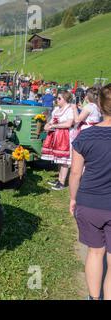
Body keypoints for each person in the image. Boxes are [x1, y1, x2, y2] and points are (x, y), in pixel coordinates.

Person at [69, 83, 111, 300]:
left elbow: (75, 174)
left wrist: (73, 199)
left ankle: (94, 298)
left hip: (90, 203)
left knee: (95, 253)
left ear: (99, 106)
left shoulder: (85, 136)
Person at [41, 90, 75, 191]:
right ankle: (59, 179)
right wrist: (47, 125)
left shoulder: (69, 109)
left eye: (59, 98)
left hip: (65, 136)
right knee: (58, 159)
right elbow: (51, 121)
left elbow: (69, 124)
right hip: (55, 135)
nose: (57, 100)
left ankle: (62, 182)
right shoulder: (57, 109)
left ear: (65, 99)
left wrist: (54, 126)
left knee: (64, 160)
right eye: (57, 98)